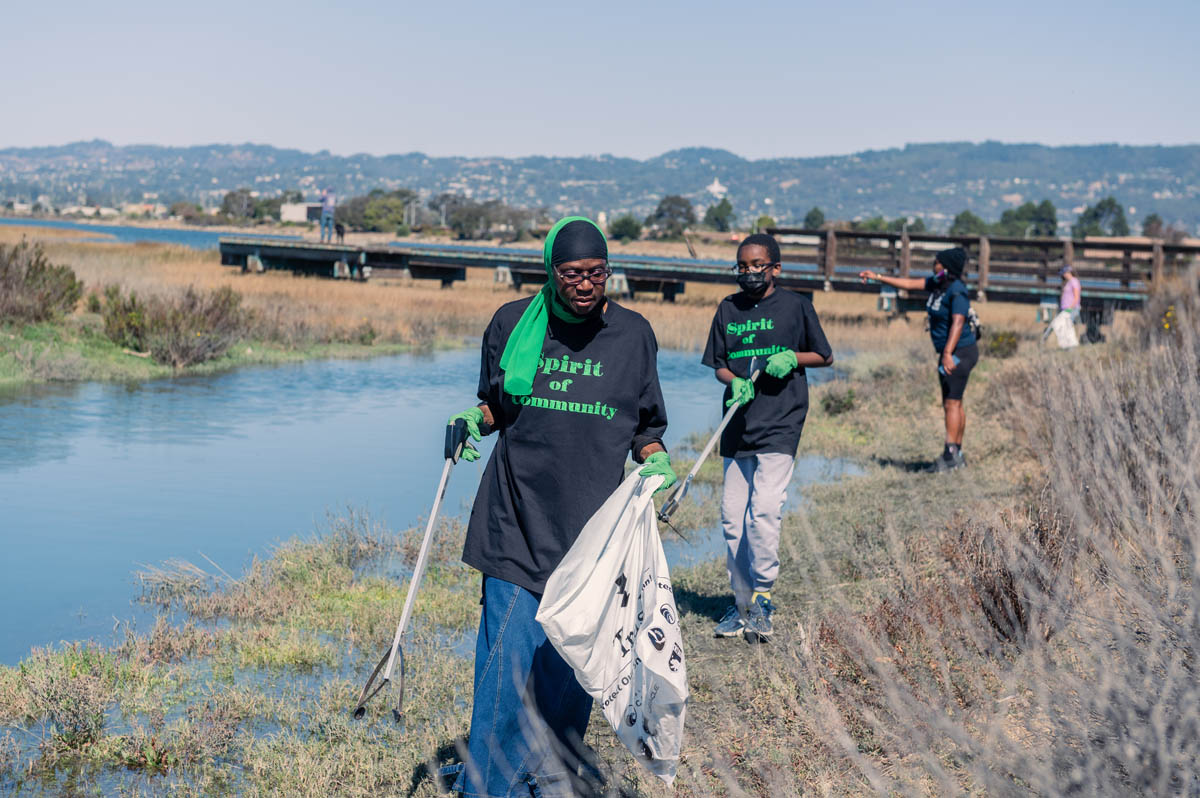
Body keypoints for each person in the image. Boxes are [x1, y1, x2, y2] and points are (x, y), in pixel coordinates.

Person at [441, 216, 677, 797]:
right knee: (502, 676)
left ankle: (547, 781)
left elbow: (644, 428)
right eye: (571, 273)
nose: (584, 284)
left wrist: (656, 461)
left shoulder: (633, 336)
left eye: (596, 272)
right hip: (514, 524)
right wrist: (473, 419)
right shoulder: (511, 324)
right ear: (551, 271)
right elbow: (497, 405)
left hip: (594, 543)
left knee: (572, 674)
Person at [702, 233, 833, 642]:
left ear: (775, 267)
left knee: (763, 511)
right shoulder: (728, 308)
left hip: (782, 422)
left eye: (757, 265)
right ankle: (740, 603)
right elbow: (719, 364)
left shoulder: (797, 306)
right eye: (742, 266)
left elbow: (825, 355)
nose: (749, 273)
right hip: (738, 422)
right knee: (732, 518)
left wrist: (793, 357)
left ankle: (763, 597)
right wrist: (735, 381)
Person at [859, 247, 978, 472]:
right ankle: (957, 455)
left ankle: (950, 455)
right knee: (955, 402)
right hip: (953, 351)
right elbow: (909, 284)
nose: (934, 265)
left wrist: (947, 354)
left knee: (951, 403)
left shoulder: (957, 290)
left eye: (937, 263)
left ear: (947, 267)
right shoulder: (938, 283)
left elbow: (959, 322)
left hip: (960, 352)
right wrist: (878, 277)